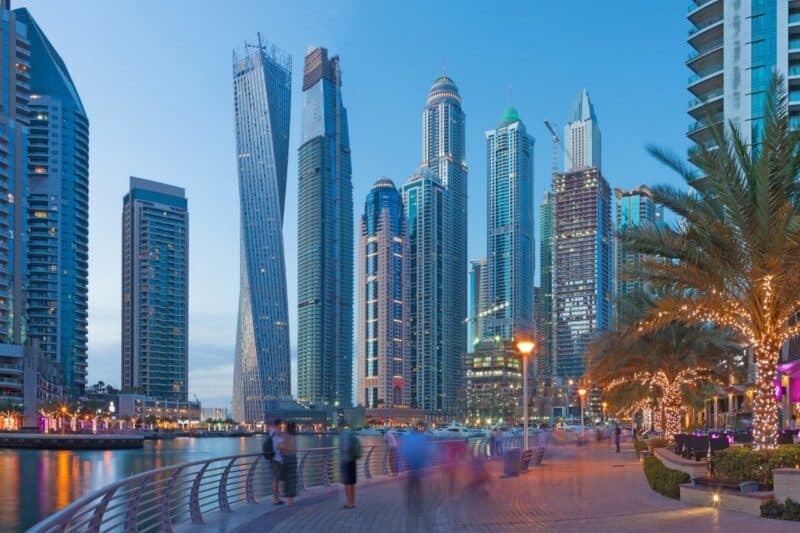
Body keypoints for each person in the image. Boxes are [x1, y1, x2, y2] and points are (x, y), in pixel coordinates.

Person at [401, 422, 429, 512]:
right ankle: (418, 502)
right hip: (418, 466)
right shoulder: (422, 439)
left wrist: (404, 463)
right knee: (417, 484)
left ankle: (409, 501)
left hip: (411, 466)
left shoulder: (409, 439)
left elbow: (405, 451)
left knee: (411, 484)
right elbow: (425, 452)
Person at [263, 419, 284, 505]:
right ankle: (276, 499)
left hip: (272, 457)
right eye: (281, 425)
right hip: (277, 459)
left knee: (275, 479)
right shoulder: (278, 434)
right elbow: (281, 447)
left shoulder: (271, 432)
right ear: (279, 425)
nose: (282, 427)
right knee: (276, 479)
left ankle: (276, 498)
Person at [340, 428, 361, 509]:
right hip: (353, 460)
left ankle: (349, 503)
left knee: (348, 483)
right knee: (352, 483)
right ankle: (353, 502)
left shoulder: (344, 436)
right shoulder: (352, 436)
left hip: (347, 461)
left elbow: (345, 449)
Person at [281, 422, 298, 505]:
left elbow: (281, 447)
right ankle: (291, 500)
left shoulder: (284, 435)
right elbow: (294, 448)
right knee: (292, 478)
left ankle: (288, 499)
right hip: (293, 458)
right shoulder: (294, 436)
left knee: (287, 478)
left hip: (286, 458)